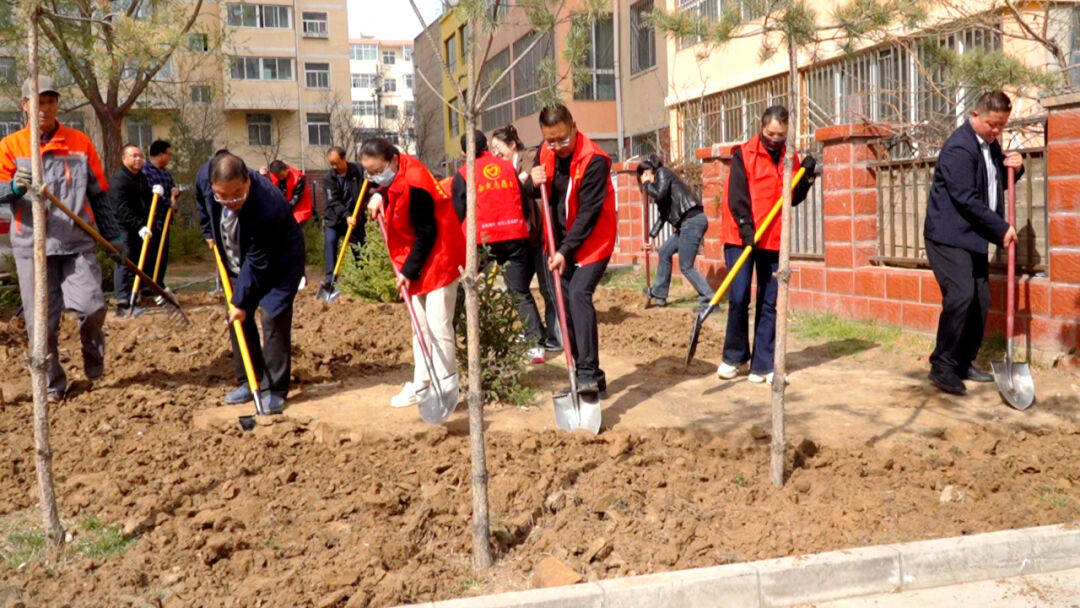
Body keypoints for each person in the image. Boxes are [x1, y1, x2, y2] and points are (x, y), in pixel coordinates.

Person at [0, 75, 121, 401]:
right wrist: (12, 188)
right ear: (25, 105)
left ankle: (93, 365)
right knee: (42, 324)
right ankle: (53, 386)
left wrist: (113, 238)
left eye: (51, 101)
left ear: (57, 104)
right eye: (38, 101)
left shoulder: (79, 142)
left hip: (76, 242)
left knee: (93, 306)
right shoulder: (11, 147)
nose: (45, 108)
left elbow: (98, 194)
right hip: (32, 247)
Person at [924, 91, 1022, 395]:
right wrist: (1001, 228)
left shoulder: (989, 146)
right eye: (992, 124)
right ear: (975, 115)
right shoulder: (959, 147)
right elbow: (966, 198)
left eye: (1001, 126)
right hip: (948, 237)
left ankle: (964, 362)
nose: (996, 131)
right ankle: (942, 365)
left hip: (974, 237)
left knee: (980, 302)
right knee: (961, 297)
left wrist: (1017, 168)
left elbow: (994, 181)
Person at [355, 137, 465, 408]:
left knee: (438, 325)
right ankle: (422, 384)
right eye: (368, 172)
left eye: (377, 171)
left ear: (392, 160)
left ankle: (446, 386)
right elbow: (391, 187)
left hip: (438, 257)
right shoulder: (398, 170)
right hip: (418, 258)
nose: (373, 176)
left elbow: (427, 233)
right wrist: (379, 194)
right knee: (420, 328)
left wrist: (408, 271)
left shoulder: (416, 182)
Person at [716, 105, 817, 385]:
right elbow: (736, 196)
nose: (775, 139)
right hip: (741, 236)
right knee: (738, 296)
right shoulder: (744, 154)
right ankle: (734, 357)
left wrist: (806, 176)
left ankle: (763, 364)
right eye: (770, 133)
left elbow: (793, 197)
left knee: (769, 301)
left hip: (773, 237)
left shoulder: (789, 157)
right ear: (762, 128)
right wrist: (747, 229)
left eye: (780, 134)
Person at [524, 104, 617, 399]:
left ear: (574, 127)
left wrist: (565, 250)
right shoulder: (545, 152)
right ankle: (589, 373)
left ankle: (587, 374)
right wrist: (530, 181)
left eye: (563, 139)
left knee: (578, 295)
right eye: (551, 140)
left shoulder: (595, 160)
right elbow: (535, 193)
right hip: (560, 243)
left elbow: (589, 213)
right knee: (563, 303)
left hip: (593, 242)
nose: (558, 146)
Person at [207, 153, 305, 413]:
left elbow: (258, 261)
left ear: (248, 180)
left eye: (236, 194)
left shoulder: (268, 206)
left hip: (282, 261)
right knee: (238, 316)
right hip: (242, 255)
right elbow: (202, 202)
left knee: (272, 315)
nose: (230, 201)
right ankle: (248, 381)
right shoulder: (207, 181)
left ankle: (275, 389)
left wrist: (242, 300)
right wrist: (209, 232)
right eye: (222, 195)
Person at [452, 130, 548, 364]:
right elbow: (522, 199)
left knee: (466, 287)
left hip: (482, 241)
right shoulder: (507, 168)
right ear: (487, 145)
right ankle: (536, 345)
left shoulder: (464, 174)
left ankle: (450, 335)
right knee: (520, 292)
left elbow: (458, 211)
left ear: (465, 152)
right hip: (514, 237)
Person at [490, 123, 562, 352]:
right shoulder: (502, 166)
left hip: (540, 234)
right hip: (523, 238)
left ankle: (555, 335)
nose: (495, 153)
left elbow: (527, 182)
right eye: (492, 149)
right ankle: (535, 332)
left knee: (547, 287)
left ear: (512, 145)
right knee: (517, 287)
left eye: (498, 148)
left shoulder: (529, 157)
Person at [637, 154, 713, 311]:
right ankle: (659, 293)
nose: (643, 183)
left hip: (692, 221)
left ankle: (709, 300)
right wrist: (651, 236)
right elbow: (664, 215)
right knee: (664, 251)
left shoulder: (663, 173)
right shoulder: (659, 185)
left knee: (686, 265)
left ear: (647, 172)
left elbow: (659, 193)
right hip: (686, 224)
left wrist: (646, 185)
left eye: (643, 178)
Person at [110, 144, 155, 317]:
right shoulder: (119, 181)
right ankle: (122, 303)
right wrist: (139, 226)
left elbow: (143, 199)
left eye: (140, 156)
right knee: (124, 260)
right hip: (121, 226)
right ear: (124, 159)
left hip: (136, 226)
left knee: (135, 261)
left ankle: (132, 301)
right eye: (134, 156)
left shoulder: (140, 178)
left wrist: (154, 192)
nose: (138, 159)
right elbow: (121, 209)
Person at [321, 146, 366, 290]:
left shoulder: (358, 170)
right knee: (331, 242)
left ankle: (364, 276)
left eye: (336, 162)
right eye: (331, 163)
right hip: (335, 219)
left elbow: (370, 184)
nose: (334, 166)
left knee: (359, 247)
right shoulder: (329, 178)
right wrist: (346, 215)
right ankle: (330, 279)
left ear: (344, 159)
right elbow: (333, 201)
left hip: (355, 218)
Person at [142, 139, 178, 296]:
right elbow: (150, 194)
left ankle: (159, 283)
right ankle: (147, 285)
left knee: (162, 254)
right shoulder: (145, 171)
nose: (170, 157)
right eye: (169, 154)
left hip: (164, 220)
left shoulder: (165, 173)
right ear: (161, 154)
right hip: (151, 220)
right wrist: (168, 202)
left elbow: (172, 190)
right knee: (150, 254)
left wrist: (175, 194)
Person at [262, 159, 314, 226]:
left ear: (286, 169)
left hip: (299, 209)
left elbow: (295, 199)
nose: (281, 178)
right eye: (279, 177)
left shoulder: (298, 178)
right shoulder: (274, 177)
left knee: (293, 228)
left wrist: (283, 208)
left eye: (282, 175)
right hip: (284, 209)